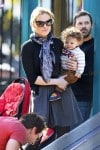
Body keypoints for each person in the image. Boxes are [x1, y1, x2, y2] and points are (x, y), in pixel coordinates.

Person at [21, 7, 83, 145]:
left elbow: (67, 62)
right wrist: (57, 81)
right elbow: (32, 78)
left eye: (48, 22)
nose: (45, 26)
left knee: (63, 137)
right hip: (41, 94)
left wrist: (73, 65)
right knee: (37, 139)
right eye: (40, 23)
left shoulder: (58, 43)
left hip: (61, 93)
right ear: (33, 24)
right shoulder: (27, 47)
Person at [49, 26, 85, 101]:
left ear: (78, 43)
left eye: (72, 43)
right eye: (66, 42)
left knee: (64, 78)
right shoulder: (64, 49)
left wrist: (79, 72)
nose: (68, 44)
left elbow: (82, 63)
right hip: (63, 69)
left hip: (72, 72)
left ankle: (57, 92)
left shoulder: (79, 53)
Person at [70, 10, 94, 121]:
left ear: (91, 25)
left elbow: (92, 74)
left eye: (86, 23)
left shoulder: (95, 46)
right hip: (66, 97)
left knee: (76, 135)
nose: (83, 26)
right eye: (80, 23)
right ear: (74, 27)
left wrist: (77, 69)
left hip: (82, 99)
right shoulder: (72, 46)